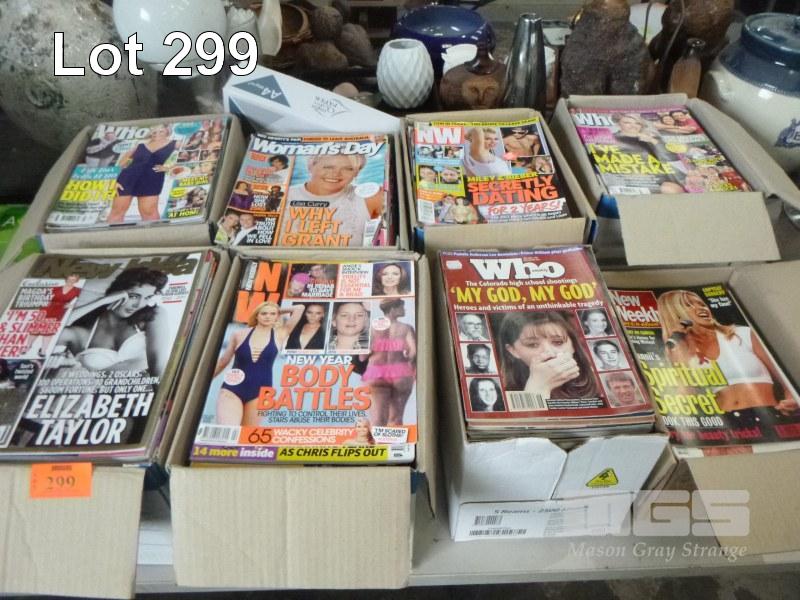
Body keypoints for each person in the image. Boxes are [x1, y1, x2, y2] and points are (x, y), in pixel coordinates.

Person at [657, 290, 799, 417]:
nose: (701, 308)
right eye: (689, 305)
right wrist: (681, 356)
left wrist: (792, 398)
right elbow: (685, 405)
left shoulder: (742, 334)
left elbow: (786, 377)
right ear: (675, 315)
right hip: (728, 425)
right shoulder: (678, 353)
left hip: (768, 415)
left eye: (701, 304)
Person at [55, 267, 170, 378]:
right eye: (134, 296)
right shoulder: (82, 334)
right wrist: (102, 301)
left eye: (147, 297)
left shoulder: (153, 315)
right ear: (116, 293)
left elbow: (158, 368)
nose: (139, 305)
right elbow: (52, 330)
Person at [214, 302, 304, 426]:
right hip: (232, 390)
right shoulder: (239, 334)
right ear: (256, 315)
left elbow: (299, 308)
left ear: (277, 316)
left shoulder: (280, 334)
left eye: (272, 314)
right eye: (264, 313)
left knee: (246, 435)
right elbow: (223, 361)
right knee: (229, 430)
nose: (268, 316)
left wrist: (276, 310)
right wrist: (204, 382)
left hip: (262, 393)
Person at [496, 311, 598, 399]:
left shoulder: (598, 383)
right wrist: (537, 386)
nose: (549, 353)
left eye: (558, 342)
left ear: (573, 346)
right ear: (513, 350)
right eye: (533, 345)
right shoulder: (500, 394)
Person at [285, 154, 382, 246]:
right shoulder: (285, 195)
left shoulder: (369, 197)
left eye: (347, 169)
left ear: (356, 172)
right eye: (328, 167)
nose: (336, 174)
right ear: (310, 167)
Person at [363, 298, 416, 426]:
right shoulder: (406, 328)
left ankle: (377, 438)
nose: (404, 309)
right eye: (401, 307)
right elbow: (413, 353)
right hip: (401, 372)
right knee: (396, 418)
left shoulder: (372, 328)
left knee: (377, 420)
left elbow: (362, 356)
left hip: (376, 373)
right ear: (393, 309)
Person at [108, 124, 177, 223]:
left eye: (161, 131)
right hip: (127, 179)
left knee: (149, 213)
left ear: (167, 132)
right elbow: (122, 162)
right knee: (117, 212)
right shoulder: (140, 145)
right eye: (154, 132)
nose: (156, 134)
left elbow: (189, 156)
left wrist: (167, 168)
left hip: (151, 180)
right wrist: (115, 180)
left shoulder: (175, 143)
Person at [30, 274, 82, 357]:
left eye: (73, 280)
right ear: (66, 279)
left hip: (58, 312)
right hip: (46, 310)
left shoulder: (77, 290)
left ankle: (43, 351)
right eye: (69, 279)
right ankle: (27, 347)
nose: (70, 281)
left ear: (76, 281)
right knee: (36, 329)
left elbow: (83, 299)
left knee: (49, 332)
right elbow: (40, 297)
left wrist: (73, 305)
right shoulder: (55, 288)